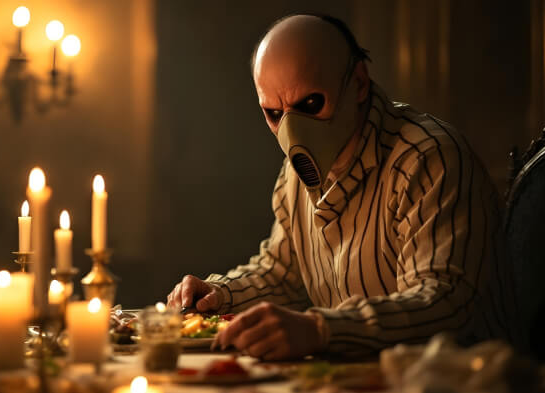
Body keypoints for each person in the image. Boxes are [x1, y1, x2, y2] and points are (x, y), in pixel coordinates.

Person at [166, 13, 521, 360]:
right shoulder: (294, 176)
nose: (293, 132)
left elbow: (444, 302)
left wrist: (322, 330)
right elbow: (282, 274)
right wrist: (217, 296)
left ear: (359, 83)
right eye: (275, 113)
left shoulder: (427, 159)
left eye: (310, 104)